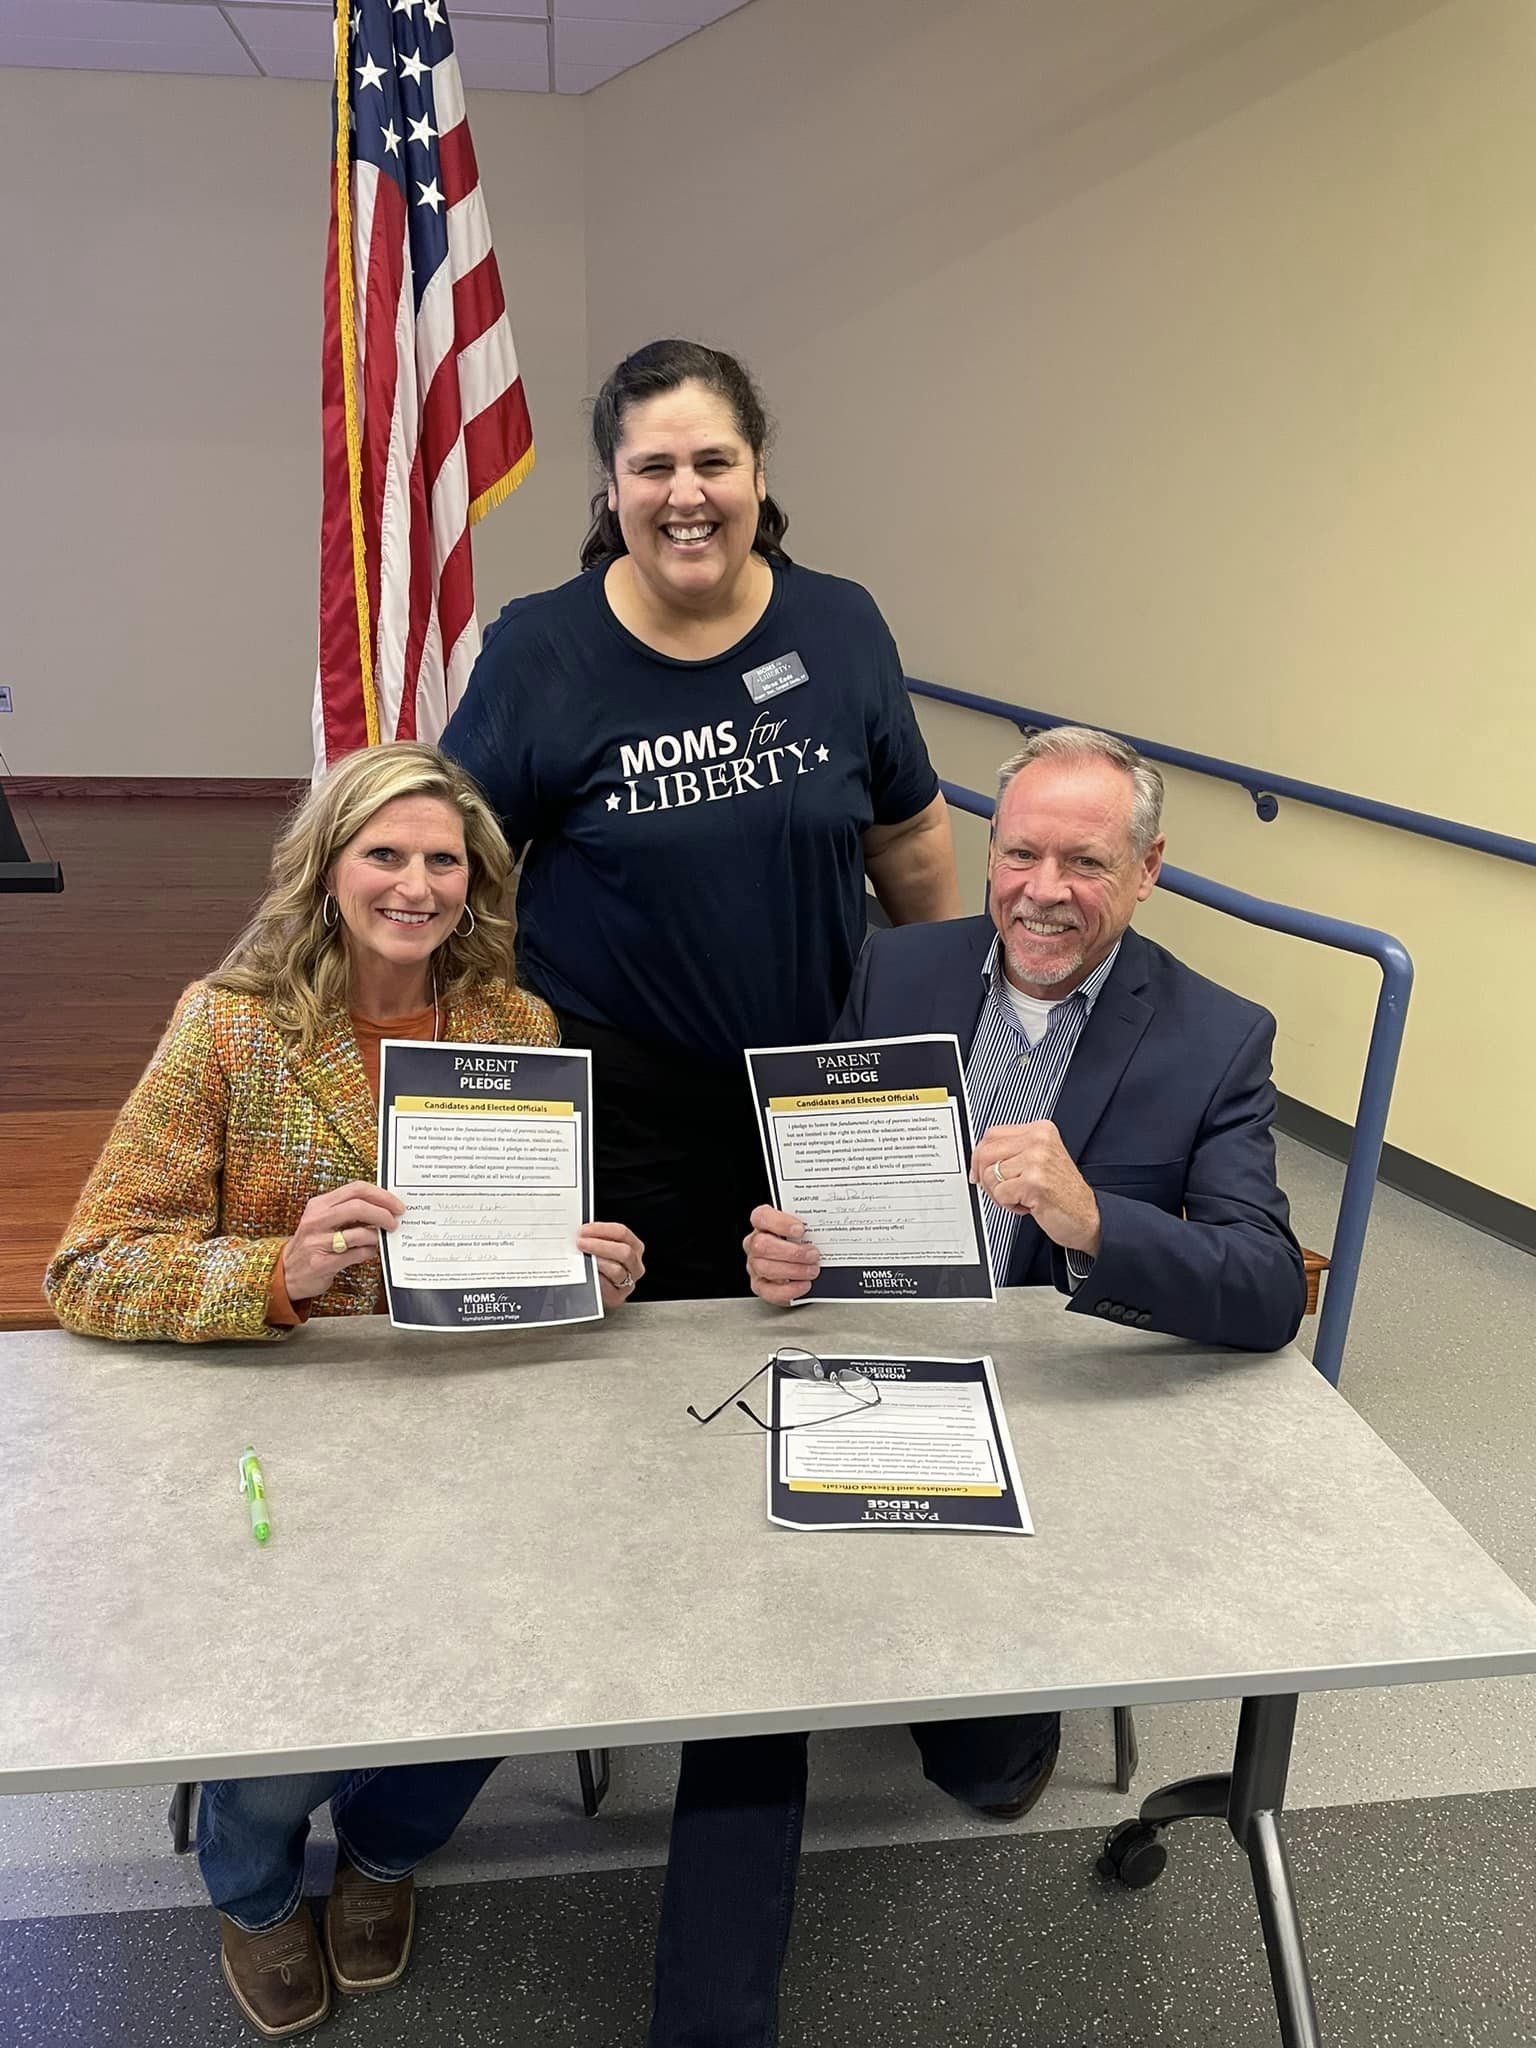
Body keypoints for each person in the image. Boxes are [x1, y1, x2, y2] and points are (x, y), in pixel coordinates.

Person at [655, 725, 1307, 2048]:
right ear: (988, 850)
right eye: (1020, 852)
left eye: (1087, 861)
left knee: (980, 1760)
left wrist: (1094, 1222)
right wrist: (785, 1249)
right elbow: (816, 1171)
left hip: (1050, 1430)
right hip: (864, 1372)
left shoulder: (1216, 1035)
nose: (1043, 890)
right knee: (751, 1664)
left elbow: (1262, 1288)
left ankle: (990, 1730)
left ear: (1149, 870)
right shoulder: (898, 963)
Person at [45, 742, 645, 2041]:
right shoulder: (231, 1026)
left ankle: (384, 1852)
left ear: (476, 883)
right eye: (385, 853)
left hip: (469, 1433)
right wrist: (279, 1270)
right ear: (326, 870)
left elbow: (518, 1247)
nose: (416, 884)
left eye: (443, 860)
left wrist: (585, 1273)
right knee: (287, 1737)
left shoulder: (516, 1027)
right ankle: (256, 1892)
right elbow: (88, 1268)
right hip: (285, 1439)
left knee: (503, 1673)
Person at [442, 338, 961, 1302]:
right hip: (622, 1100)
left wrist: (942, 1017)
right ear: (613, 491)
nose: (687, 494)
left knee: (826, 1328)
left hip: (825, 1090)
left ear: (757, 475)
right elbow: (454, 861)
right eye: (654, 467)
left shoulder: (840, 626)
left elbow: (906, 831)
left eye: (713, 461)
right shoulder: (542, 652)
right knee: (647, 1349)